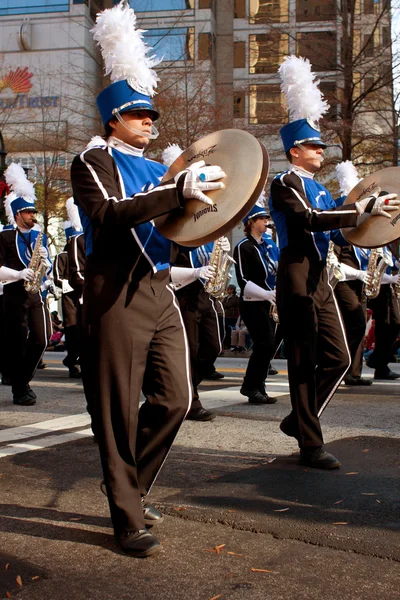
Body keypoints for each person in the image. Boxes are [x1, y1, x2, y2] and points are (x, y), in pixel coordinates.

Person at [70, 1, 225, 558]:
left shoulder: (163, 169)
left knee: (175, 400)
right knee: (116, 409)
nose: (149, 123)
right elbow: (111, 214)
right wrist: (176, 190)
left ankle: (131, 487)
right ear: (114, 119)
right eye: (139, 116)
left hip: (160, 289)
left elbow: (180, 222)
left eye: (152, 117)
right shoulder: (93, 160)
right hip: (115, 293)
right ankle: (126, 516)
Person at [269, 55, 400, 469]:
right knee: (302, 360)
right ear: (295, 150)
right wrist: (359, 208)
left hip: (320, 274)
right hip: (294, 272)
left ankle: (299, 419)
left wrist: (373, 216)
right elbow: (308, 221)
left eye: (321, 145)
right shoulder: (284, 182)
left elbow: (339, 231)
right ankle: (310, 443)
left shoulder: (321, 190)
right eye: (314, 145)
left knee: (341, 357)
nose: (320, 150)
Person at [0, 163, 52, 406]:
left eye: (34, 212)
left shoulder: (39, 235)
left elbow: (48, 266)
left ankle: (22, 380)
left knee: (43, 338)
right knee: (17, 343)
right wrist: (18, 274)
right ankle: (20, 388)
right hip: (13, 295)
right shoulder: (5, 236)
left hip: (36, 296)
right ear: (18, 214)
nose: (33, 216)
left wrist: (46, 260)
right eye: (29, 212)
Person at [174, 238, 231, 420]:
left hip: (207, 295)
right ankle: (191, 401)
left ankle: (185, 388)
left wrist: (223, 255)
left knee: (214, 346)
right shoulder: (180, 234)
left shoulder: (211, 236)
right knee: (189, 351)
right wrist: (195, 272)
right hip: (185, 294)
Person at [234, 203, 278, 404]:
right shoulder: (244, 246)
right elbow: (243, 280)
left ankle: (258, 386)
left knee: (268, 346)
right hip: (253, 302)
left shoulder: (266, 247)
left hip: (269, 301)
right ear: (251, 222)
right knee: (264, 343)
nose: (266, 222)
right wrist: (266, 294)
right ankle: (250, 386)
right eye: (262, 219)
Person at [333, 162, 372, 386]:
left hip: (360, 283)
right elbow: (334, 264)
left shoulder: (359, 235)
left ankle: (354, 372)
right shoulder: (339, 233)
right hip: (344, 283)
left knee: (359, 325)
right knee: (354, 322)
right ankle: (344, 368)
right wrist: (358, 274)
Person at [53, 204, 83, 378]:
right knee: (72, 330)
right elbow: (58, 278)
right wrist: (75, 284)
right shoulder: (62, 257)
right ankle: (72, 361)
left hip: (83, 296)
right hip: (69, 298)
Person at [366, 247, 400, 379]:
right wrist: (390, 279)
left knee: (393, 325)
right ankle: (377, 362)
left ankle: (379, 363)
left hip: (386, 287)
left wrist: (396, 264)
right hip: (379, 288)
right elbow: (371, 270)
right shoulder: (375, 243)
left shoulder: (386, 245)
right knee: (386, 325)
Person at [222, 284, 240, 349]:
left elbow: (229, 304)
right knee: (226, 330)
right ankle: (226, 343)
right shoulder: (226, 297)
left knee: (232, 330)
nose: (227, 290)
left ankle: (232, 344)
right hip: (226, 315)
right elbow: (223, 304)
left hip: (233, 316)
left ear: (232, 290)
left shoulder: (236, 298)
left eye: (228, 289)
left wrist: (226, 305)